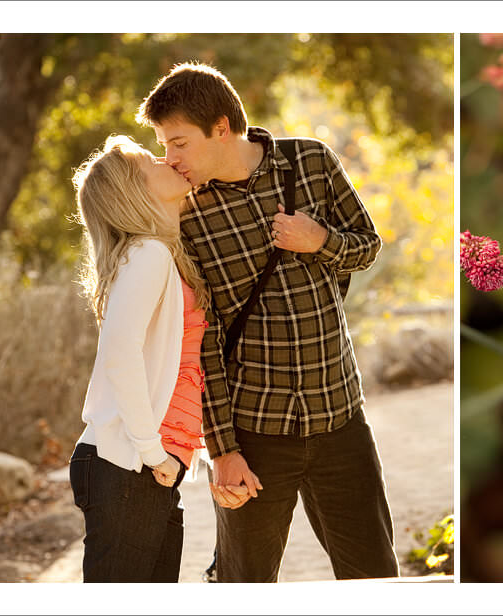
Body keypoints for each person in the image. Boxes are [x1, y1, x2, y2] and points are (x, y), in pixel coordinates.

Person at [136, 62, 399, 582]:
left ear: (221, 127)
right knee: (244, 583)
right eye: (165, 145)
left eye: (179, 143)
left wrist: (320, 240)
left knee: (375, 578)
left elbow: (368, 247)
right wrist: (223, 449)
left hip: (341, 418)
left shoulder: (311, 162)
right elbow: (203, 340)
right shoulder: (184, 212)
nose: (171, 159)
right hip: (255, 433)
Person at [68, 135, 249, 582]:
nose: (167, 159)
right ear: (135, 190)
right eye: (152, 160)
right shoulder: (147, 254)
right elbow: (120, 354)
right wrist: (153, 453)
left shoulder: (161, 254)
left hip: (148, 466)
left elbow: (177, 371)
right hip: (129, 464)